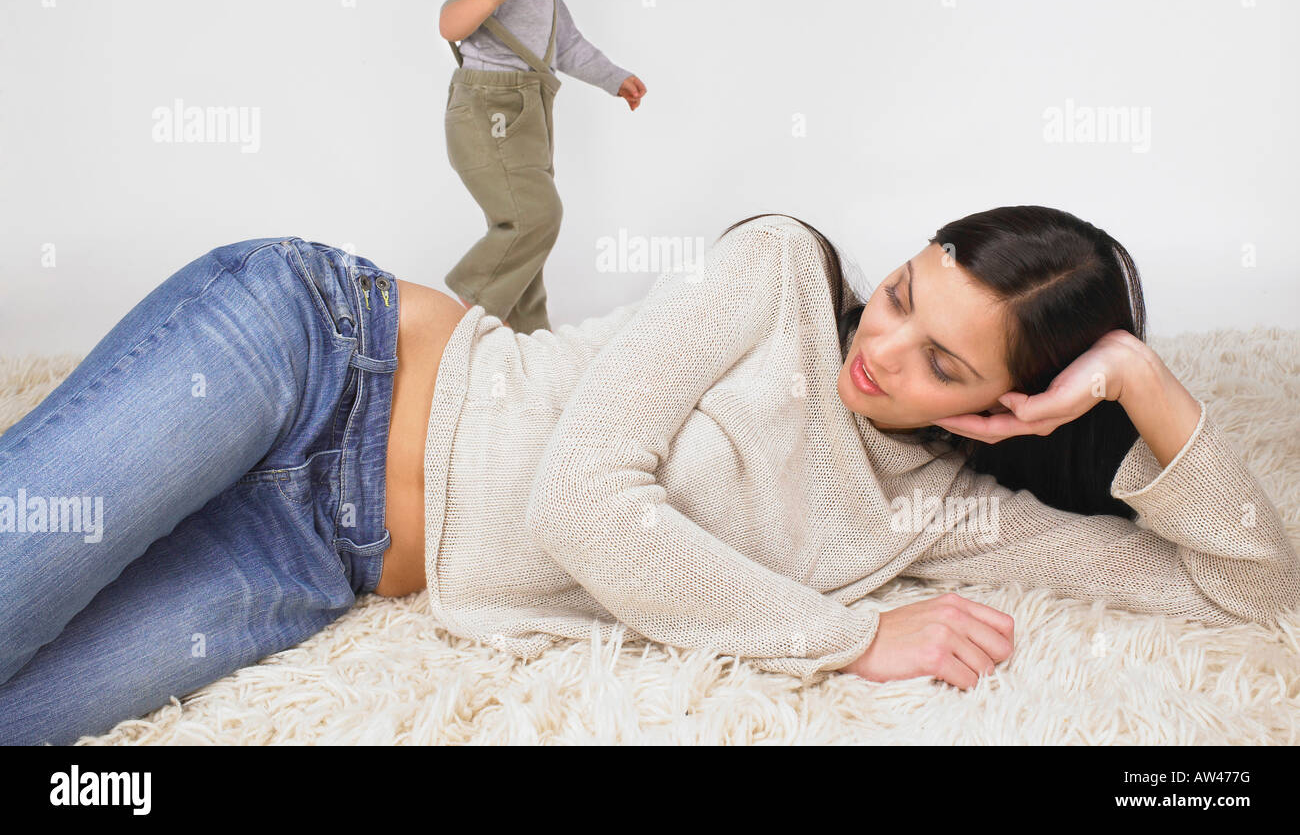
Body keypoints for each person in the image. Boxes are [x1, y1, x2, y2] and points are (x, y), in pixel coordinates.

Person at [2, 209, 1297, 745]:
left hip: (318, 557)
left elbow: (1256, 590)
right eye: (901, 293)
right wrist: (848, 637)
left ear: (1009, 408)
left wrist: (1139, 377)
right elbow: (582, 500)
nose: (879, 346)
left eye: (937, 358)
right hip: (313, 357)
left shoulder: (954, 517)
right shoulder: (782, 268)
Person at [439, 0, 647, 334]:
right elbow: (449, 24)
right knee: (536, 215)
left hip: (530, 114)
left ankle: (527, 334)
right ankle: (464, 310)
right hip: (488, 112)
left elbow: (567, 47)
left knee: (521, 230)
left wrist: (614, 78)